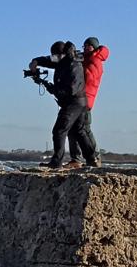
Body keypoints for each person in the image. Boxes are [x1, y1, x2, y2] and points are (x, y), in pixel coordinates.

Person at [28, 41, 97, 170]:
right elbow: (48, 60)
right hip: (79, 101)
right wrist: (35, 62)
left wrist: (53, 88)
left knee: (59, 130)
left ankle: (57, 162)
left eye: (55, 55)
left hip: (74, 102)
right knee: (79, 131)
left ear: (62, 54)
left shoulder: (73, 65)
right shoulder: (64, 61)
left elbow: (71, 90)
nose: (53, 58)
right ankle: (92, 159)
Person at [69, 37, 110, 167]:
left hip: (86, 99)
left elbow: (89, 79)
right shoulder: (84, 58)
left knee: (84, 129)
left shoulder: (95, 60)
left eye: (89, 46)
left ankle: (94, 156)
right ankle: (76, 158)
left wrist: (77, 68)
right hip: (78, 98)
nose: (86, 48)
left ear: (95, 48)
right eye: (85, 46)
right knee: (72, 128)